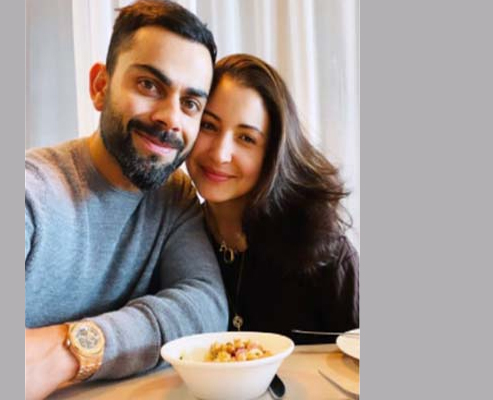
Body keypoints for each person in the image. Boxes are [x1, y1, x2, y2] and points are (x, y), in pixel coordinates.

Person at [25, 1, 228, 399]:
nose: (171, 118)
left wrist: (69, 351)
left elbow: (205, 304)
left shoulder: (176, 198)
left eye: (190, 104)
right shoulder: (32, 193)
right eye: (149, 85)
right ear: (100, 87)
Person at [186, 54, 359, 345]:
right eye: (209, 126)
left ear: (273, 153)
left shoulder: (322, 247)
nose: (219, 154)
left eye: (246, 138)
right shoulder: (177, 232)